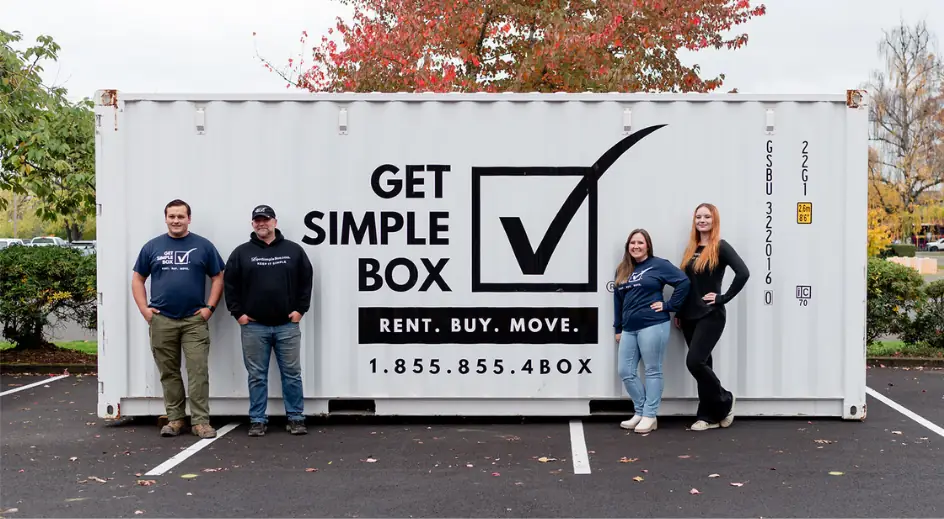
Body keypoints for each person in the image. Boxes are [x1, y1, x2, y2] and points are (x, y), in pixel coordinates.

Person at [131, 199, 225, 438]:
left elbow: (218, 277)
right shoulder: (152, 247)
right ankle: (175, 420)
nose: (176, 220)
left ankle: (200, 422)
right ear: (166, 218)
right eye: (172, 216)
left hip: (194, 321)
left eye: (180, 216)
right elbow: (137, 279)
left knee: (198, 371)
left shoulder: (203, 246)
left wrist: (209, 309)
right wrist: (145, 310)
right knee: (169, 372)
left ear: (189, 219)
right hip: (162, 320)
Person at [224, 204, 314, 437]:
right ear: (253, 223)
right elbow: (230, 286)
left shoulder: (294, 251)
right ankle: (257, 419)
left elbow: (306, 281)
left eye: (266, 219)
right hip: (253, 326)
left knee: (292, 374)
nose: (261, 223)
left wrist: (300, 310)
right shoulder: (241, 253)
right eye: (257, 220)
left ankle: (296, 417)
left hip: (287, 325)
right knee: (256, 375)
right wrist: (238, 314)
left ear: (275, 222)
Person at [674, 203, 750, 431]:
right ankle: (708, 415)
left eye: (707, 216)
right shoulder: (691, 248)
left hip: (711, 315)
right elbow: (686, 284)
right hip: (688, 315)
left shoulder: (720, 246)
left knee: (694, 362)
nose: (702, 220)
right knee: (704, 364)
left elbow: (743, 273)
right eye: (698, 217)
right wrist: (679, 312)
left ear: (714, 220)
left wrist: (723, 297)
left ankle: (725, 399)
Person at [613, 228, 691, 434]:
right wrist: (618, 327)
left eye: (640, 243)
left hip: (653, 324)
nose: (636, 246)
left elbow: (683, 282)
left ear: (648, 245)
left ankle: (650, 415)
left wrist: (669, 306)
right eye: (632, 243)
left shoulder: (658, 265)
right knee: (625, 371)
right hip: (629, 328)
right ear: (627, 246)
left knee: (652, 370)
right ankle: (640, 411)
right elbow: (618, 301)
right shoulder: (622, 269)